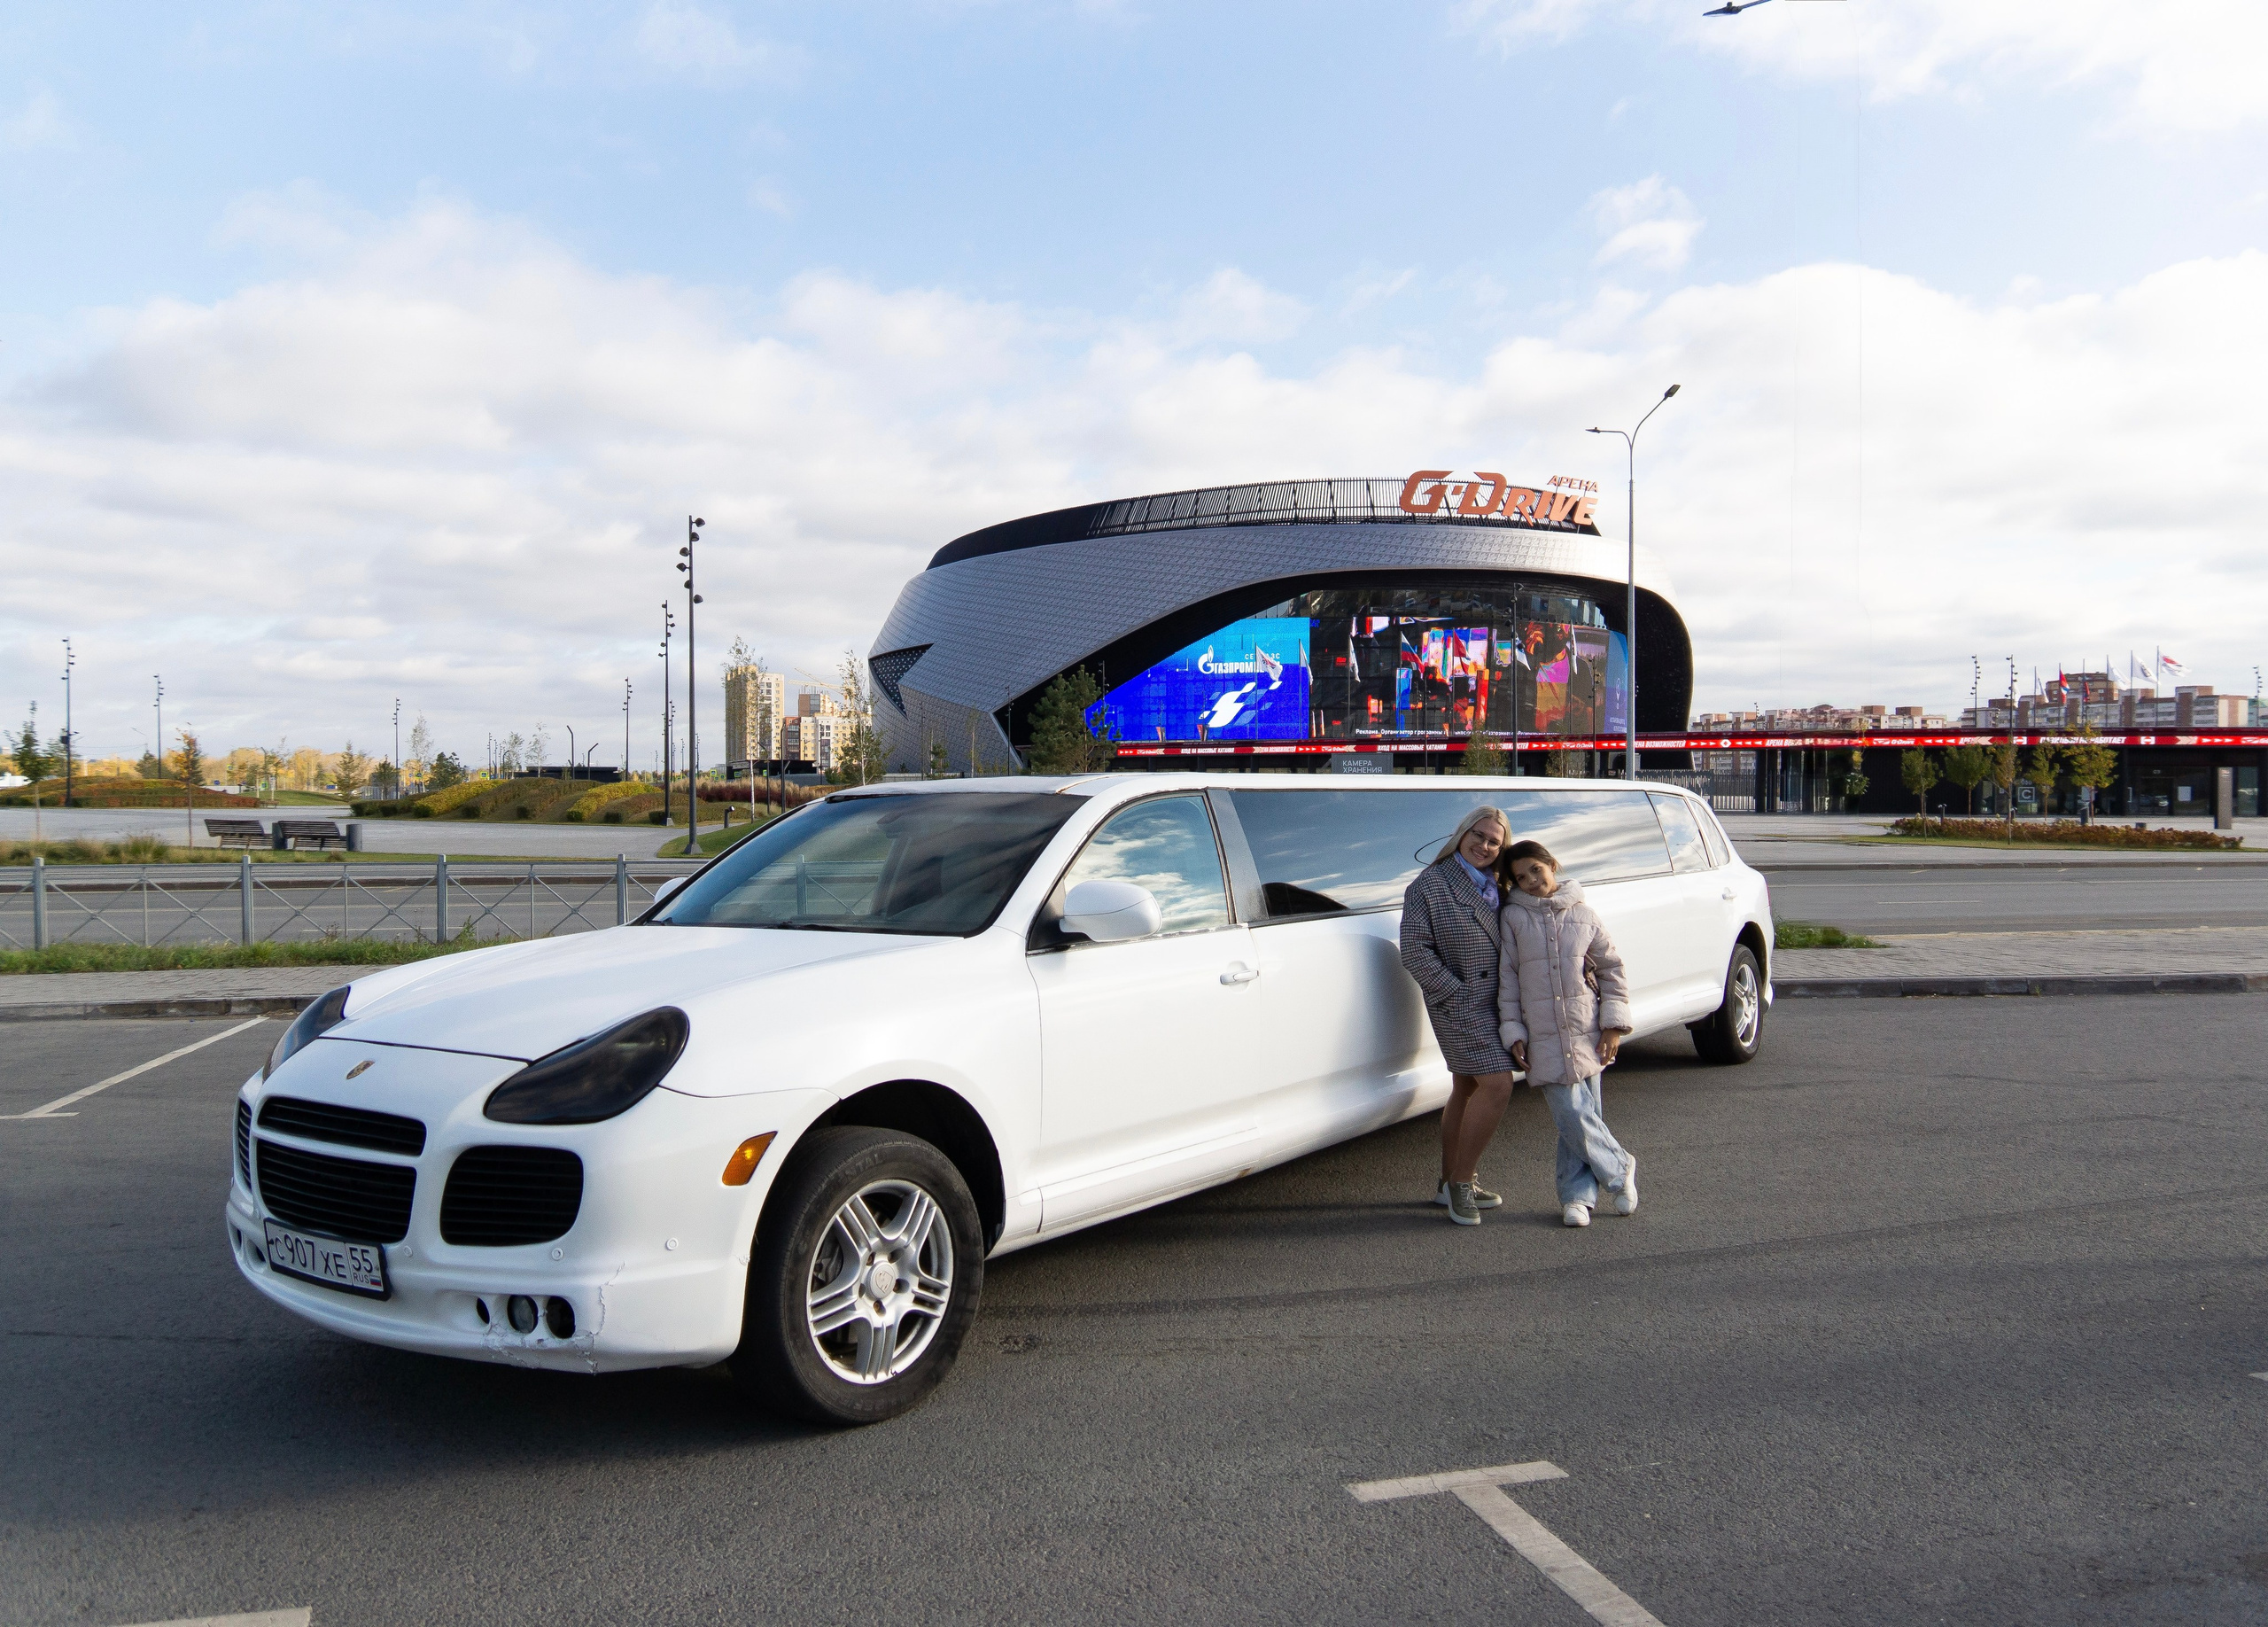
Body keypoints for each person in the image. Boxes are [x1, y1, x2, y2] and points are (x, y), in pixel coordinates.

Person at [1495, 838, 1637, 1228]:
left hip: (1585, 1028)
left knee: (1583, 1114)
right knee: (1571, 1112)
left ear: (1552, 865)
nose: (1530, 880)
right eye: (1520, 877)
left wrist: (1613, 1025)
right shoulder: (1512, 919)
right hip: (1541, 1034)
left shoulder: (1585, 915)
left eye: (1535, 870)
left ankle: (1577, 1198)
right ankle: (1620, 1166)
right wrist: (1513, 1030)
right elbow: (1508, 979)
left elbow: (1612, 969)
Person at [1398, 805, 1518, 1226]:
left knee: (1466, 1087)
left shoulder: (1503, 885)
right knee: (1498, 1085)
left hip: (1499, 1003)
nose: (1484, 845)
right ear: (1462, 832)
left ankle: (1447, 1180)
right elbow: (1413, 950)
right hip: (1459, 1003)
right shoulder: (1429, 885)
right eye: (1478, 835)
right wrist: (1456, 992)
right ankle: (1461, 1184)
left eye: (1493, 841)